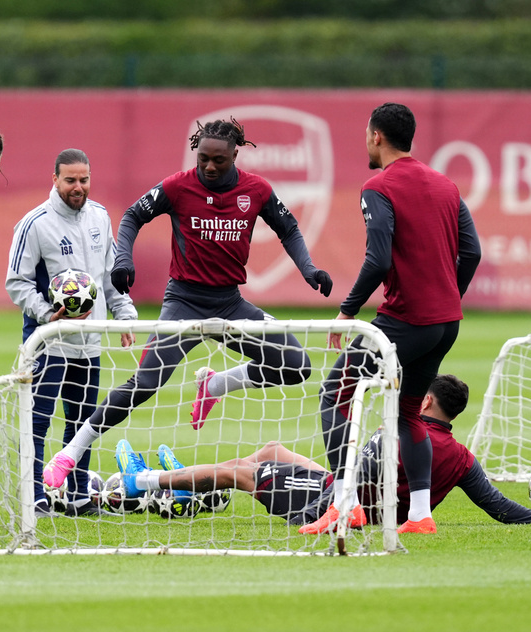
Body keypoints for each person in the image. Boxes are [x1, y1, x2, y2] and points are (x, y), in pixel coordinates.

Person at [42, 117, 333, 490]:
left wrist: (308, 269)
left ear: (235, 155)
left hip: (229, 304)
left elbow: (288, 227)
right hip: (184, 304)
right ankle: (70, 453)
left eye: (219, 160)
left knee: (295, 365)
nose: (209, 167)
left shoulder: (256, 190)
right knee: (146, 383)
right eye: (203, 159)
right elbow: (133, 215)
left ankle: (217, 385)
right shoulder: (179, 186)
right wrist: (123, 260)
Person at [299, 103, 481, 536]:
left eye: (366, 134)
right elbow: (471, 252)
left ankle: (346, 505)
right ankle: (420, 515)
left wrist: (348, 310)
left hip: (404, 323)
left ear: (376, 136)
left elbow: (378, 258)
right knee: (408, 413)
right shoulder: (446, 185)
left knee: (334, 396)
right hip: (445, 323)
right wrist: (449, 295)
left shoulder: (378, 186)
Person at [116, 375, 531, 527]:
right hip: (343, 491)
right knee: (272, 449)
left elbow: (360, 470)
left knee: (242, 471)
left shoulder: (402, 433)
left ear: (425, 401)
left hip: (333, 506)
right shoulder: (462, 457)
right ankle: (183, 488)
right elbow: (501, 508)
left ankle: (142, 483)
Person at [6, 148, 138, 516]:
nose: (78, 187)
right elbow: (17, 282)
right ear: (55, 179)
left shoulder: (99, 216)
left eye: (83, 179)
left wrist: (124, 315)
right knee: (40, 420)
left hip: (90, 341)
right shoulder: (35, 223)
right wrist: (48, 314)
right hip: (48, 341)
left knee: (83, 419)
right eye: (70, 180)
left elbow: (111, 277)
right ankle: (33, 495)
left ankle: (79, 495)